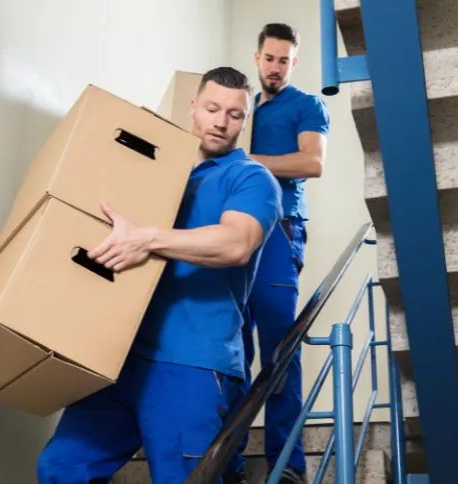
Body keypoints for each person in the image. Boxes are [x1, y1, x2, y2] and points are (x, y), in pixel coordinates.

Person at [35, 66, 283, 484]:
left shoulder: (251, 179)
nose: (221, 121)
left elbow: (235, 243)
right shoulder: (160, 170)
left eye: (235, 114)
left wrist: (149, 240)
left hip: (192, 360)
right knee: (62, 467)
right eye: (211, 108)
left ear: (246, 119)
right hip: (120, 355)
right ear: (193, 107)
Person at [225, 23, 331, 484]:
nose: (275, 67)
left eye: (284, 60)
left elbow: (313, 163)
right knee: (230, 352)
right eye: (269, 58)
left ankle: (287, 467)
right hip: (230, 232)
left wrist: (250, 161)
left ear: (294, 62)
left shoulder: (306, 105)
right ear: (257, 58)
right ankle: (228, 463)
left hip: (279, 231)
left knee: (278, 352)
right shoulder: (242, 109)